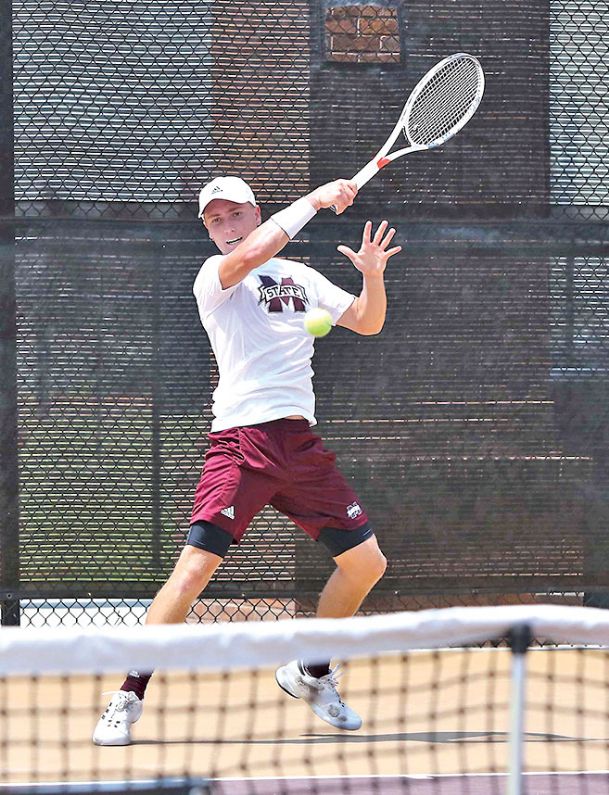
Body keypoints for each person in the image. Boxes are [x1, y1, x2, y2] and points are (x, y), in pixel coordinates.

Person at [93, 175, 401, 746]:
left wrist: (373, 278)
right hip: (241, 445)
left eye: (236, 215)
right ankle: (127, 696)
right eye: (215, 221)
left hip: (300, 445)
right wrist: (313, 200)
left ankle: (310, 671)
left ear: (255, 213)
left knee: (367, 564)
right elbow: (257, 251)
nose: (228, 228)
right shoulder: (215, 277)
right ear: (208, 232)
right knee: (193, 572)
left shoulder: (300, 278)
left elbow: (366, 320)